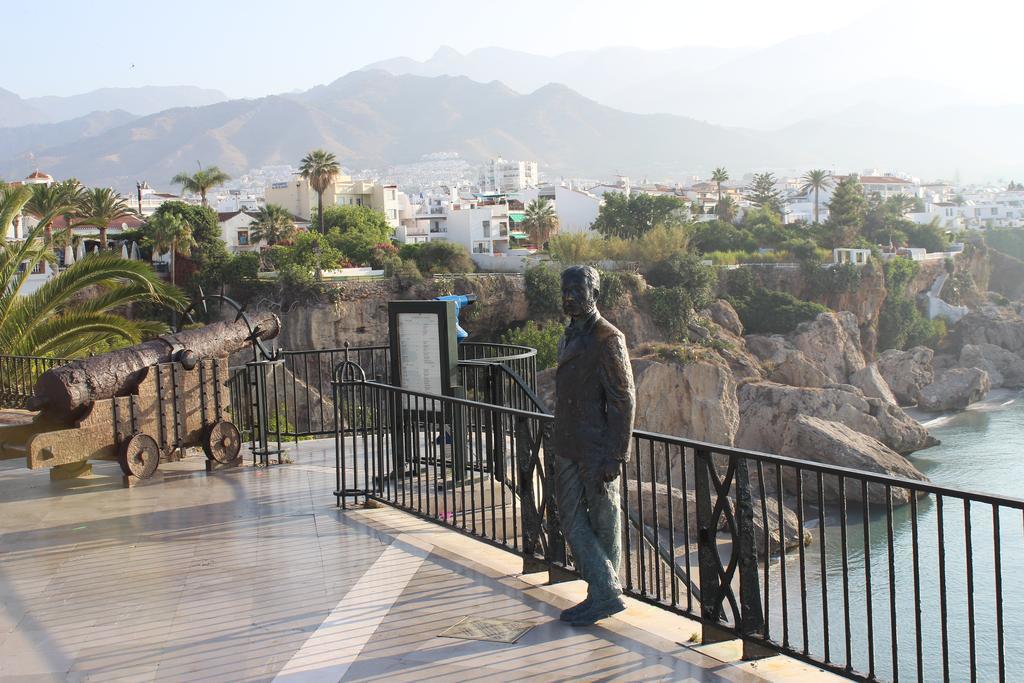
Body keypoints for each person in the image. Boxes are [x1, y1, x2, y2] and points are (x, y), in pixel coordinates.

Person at [552, 265, 635, 626]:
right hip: (568, 441)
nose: (569, 297)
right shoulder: (568, 335)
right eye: (565, 290)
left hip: (596, 446)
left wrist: (616, 454)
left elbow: (624, 399)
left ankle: (601, 595)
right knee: (571, 518)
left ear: (594, 295)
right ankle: (604, 590)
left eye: (577, 290)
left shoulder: (607, 338)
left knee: (604, 522)